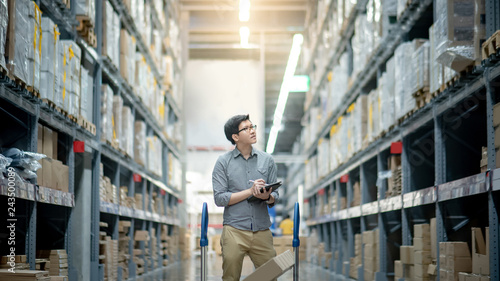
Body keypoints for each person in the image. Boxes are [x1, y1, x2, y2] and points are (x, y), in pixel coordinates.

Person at [212, 114, 279, 281]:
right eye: (246, 128)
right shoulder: (223, 162)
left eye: (253, 127)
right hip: (234, 230)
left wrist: (267, 196)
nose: (252, 131)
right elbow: (220, 198)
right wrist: (250, 191)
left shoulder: (267, 160)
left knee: (270, 277)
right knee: (230, 277)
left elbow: (275, 196)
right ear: (235, 137)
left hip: (262, 230)